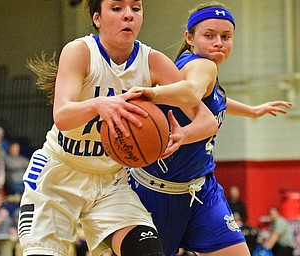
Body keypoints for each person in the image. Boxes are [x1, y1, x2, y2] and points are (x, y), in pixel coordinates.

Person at [18, 0, 218, 256]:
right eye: (117, 8)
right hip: (59, 175)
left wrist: (182, 135)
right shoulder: (80, 51)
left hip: (111, 181)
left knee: (148, 252)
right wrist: (99, 105)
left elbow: (207, 120)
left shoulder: (153, 61)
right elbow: (62, 116)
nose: (128, 16)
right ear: (97, 18)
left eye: (136, 8)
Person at [128, 2, 292, 256]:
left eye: (225, 37)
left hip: (202, 190)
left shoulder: (200, 71)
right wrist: (151, 94)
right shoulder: (202, 66)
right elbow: (193, 91)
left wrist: (253, 110)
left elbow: (214, 101)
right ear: (189, 38)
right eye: (209, 35)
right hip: (156, 192)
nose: (218, 42)